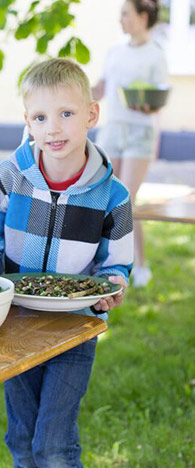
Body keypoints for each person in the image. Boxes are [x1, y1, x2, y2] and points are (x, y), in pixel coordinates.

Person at [0, 58, 133, 468]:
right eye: (41, 117)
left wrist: (111, 289)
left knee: (52, 443)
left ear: (91, 115)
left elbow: (116, 265)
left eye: (66, 113)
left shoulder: (112, 195)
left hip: (73, 331)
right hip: (15, 325)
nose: (53, 128)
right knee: (22, 441)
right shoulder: (6, 179)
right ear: (28, 122)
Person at [92, 0, 168, 287]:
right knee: (107, 197)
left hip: (140, 132)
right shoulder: (115, 52)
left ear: (142, 16)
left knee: (128, 200)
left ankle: (141, 265)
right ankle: (103, 260)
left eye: (125, 14)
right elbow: (100, 88)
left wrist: (146, 106)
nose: (121, 20)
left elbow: (158, 98)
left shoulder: (155, 54)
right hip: (113, 130)